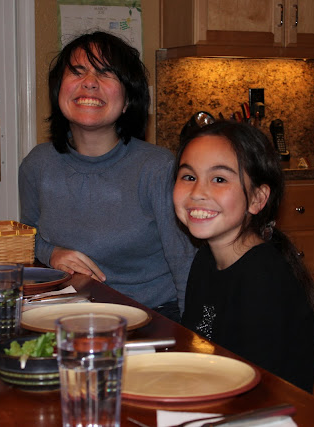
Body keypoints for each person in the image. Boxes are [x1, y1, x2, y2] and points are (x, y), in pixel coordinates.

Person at [19, 31, 195, 322]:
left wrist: (194, 337)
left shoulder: (158, 168)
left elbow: (185, 262)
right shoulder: (37, 164)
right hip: (67, 313)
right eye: (77, 71)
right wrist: (51, 253)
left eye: (106, 73)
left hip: (151, 317)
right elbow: (25, 238)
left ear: (127, 101)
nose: (89, 82)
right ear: (59, 91)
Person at [173, 121, 314, 392]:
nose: (197, 193)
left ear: (257, 199)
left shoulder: (263, 278)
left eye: (219, 179)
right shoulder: (205, 259)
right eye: (188, 177)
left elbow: (254, 390)